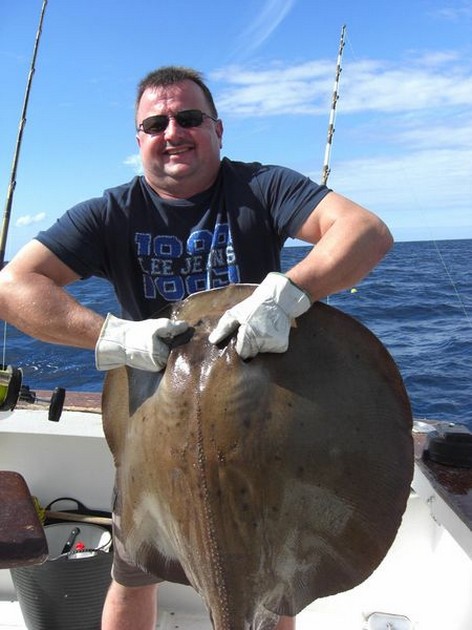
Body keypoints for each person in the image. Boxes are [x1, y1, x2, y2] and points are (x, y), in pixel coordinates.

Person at [0, 66, 393, 629]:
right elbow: (13, 287)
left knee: (272, 583)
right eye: (154, 123)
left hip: (261, 424)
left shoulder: (262, 188)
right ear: (139, 139)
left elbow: (365, 231)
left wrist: (290, 294)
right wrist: (113, 335)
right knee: (133, 569)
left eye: (189, 118)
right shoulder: (111, 212)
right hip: (155, 431)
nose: (172, 131)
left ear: (218, 129)